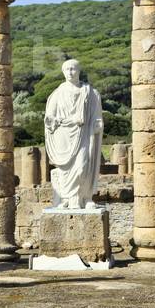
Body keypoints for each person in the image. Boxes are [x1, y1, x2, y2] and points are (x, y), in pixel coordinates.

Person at [44, 59, 103, 210]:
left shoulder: (90, 93)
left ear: (79, 71)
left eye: (73, 69)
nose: (70, 72)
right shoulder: (57, 94)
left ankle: (84, 196)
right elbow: (49, 119)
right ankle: (67, 198)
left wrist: (97, 123)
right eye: (67, 69)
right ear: (63, 72)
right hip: (63, 136)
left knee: (83, 167)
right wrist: (67, 121)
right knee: (65, 170)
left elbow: (97, 115)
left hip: (84, 134)